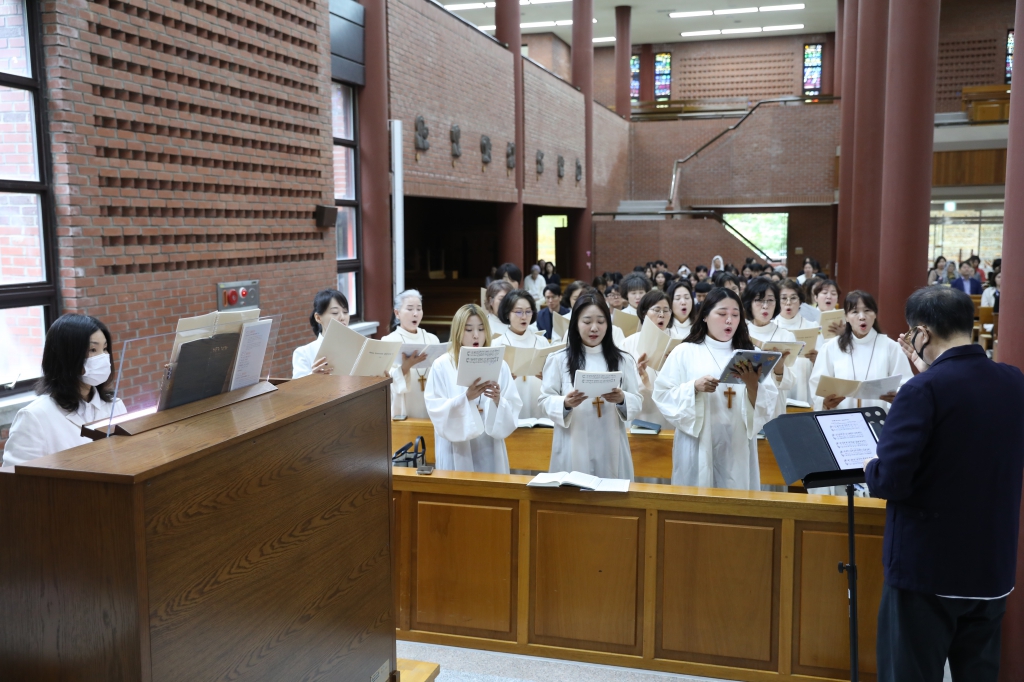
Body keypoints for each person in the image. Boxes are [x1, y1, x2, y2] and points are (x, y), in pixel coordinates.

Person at [865, 286, 1024, 682]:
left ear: (921, 333)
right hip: (991, 565)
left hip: (928, 568)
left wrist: (869, 464)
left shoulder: (921, 390)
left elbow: (891, 480)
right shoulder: (1013, 381)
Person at [653, 288, 779, 490]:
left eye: (735, 315)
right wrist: (693, 387)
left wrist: (752, 384)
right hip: (698, 443)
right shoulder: (685, 352)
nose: (729, 320)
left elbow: (767, 404)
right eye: (722, 314)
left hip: (737, 445)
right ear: (704, 316)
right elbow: (662, 394)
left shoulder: (751, 354)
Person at [539, 294, 642, 480]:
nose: (594, 328)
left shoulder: (623, 360)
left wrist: (622, 399)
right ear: (576, 323)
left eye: (601, 321)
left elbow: (636, 400)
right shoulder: (558, 359)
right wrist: (565, 403)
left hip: (611, 444)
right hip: (572, 443)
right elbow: (544, 400)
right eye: (587, 321)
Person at [3, 314, 127, 467]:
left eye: (105, 348)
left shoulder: (115, 405)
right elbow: (16, 482)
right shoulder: (34, 417)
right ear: (66, 356)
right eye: (93, 350)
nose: (103, 357)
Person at [424, 304, 521, 473]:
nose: (476, 335)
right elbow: (435, 409)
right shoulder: (441, 365)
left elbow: (513, 405)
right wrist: (465, 399)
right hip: (457, 448)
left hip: (490, 446)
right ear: (458, 332)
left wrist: (498, 400)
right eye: (469, 330)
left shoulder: (500, 364)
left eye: (481, 329)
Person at [809, 290, 912, 413]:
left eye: (867, 311)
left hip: (879, 420)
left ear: (875, 314)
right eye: (855, 312)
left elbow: (905, 385)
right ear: (846, 317)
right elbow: (817, 384)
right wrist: (824, 402)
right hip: (841, 420)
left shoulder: (891, 347)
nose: (862, 317)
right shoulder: (831, 347)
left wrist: (897, 397)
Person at [382, 289, 441, 419]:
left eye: (419, 309)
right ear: (397, 313)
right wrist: (404, 368)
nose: (415, 313)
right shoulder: (388, 342)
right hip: (406, 404)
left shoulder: (432, 339)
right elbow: (384, 380)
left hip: (431, 401)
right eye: (410, 309)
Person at [742, 277, 796, 418]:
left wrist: (779, 369)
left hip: (775, 407)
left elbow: (791, 383)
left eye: (770, 300)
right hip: (746, 404)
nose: (765, 306)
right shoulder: (740, 335)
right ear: (749, 303)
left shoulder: (786, 337)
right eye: (759, 300)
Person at [623, 290, 674, 430]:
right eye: (656, 310)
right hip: (640, 412)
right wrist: (638, 373)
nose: (662, 315)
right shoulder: (628, 343)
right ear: (644, 312)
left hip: (667, 412)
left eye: (666, 310)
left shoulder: (679, 343)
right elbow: (621, 382)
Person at [492, 290, 546, 418]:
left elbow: (553, 377)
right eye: (518, 312)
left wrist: (546, 377)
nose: (524, 316)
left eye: (528, 311)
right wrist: (505, 379)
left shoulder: (541, 342)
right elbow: (491, 382)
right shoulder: (497, 344)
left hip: (537, 402)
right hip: (509, 407)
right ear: (507, 313)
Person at [774, 279, 819, 404]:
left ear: (800, 301)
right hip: (778, 389)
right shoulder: (771, 328)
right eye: (783, 298)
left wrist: (817, 359)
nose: (788, 303)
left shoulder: (812, 327)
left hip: (805, 387)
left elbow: (824, 364)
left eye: (793, 298)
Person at [293, 289, 350, 378]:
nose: (342, 317)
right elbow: (296, 389)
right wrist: (313, 376)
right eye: (335, 313)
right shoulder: (304, 353)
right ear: (318, 318)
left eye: (345, 312)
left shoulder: (357, 348)